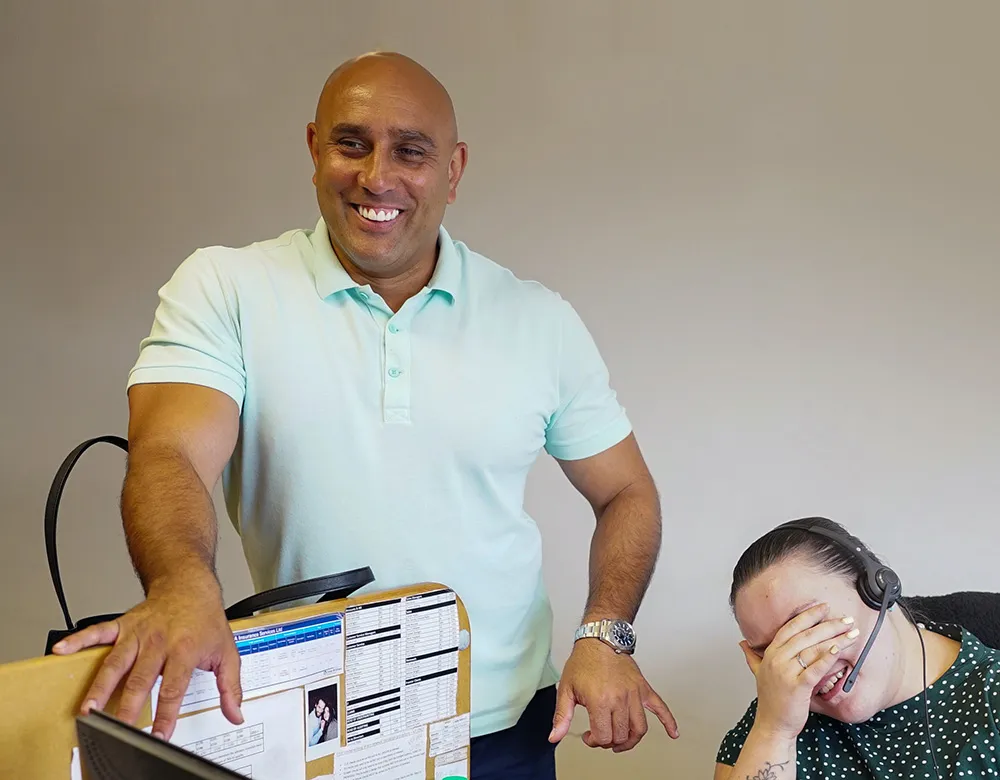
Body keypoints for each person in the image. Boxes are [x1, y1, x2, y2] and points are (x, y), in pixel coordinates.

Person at [49, 51, 678, 777]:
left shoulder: (540, 320)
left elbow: (627, 490)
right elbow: (172, 451)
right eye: (352, 143)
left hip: (501, 733)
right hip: (311, 727)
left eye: (411, 151)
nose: (378, 177)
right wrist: (182, 584)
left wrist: (604, 634)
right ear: (314, 149)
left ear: (455, 169)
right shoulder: (225, 286)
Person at [714, 516, 1000, 780]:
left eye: (808, 628)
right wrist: (775, 733)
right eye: (773, 653)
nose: (804, 667)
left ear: (876, 588)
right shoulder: (777, 710)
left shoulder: (992, 693)